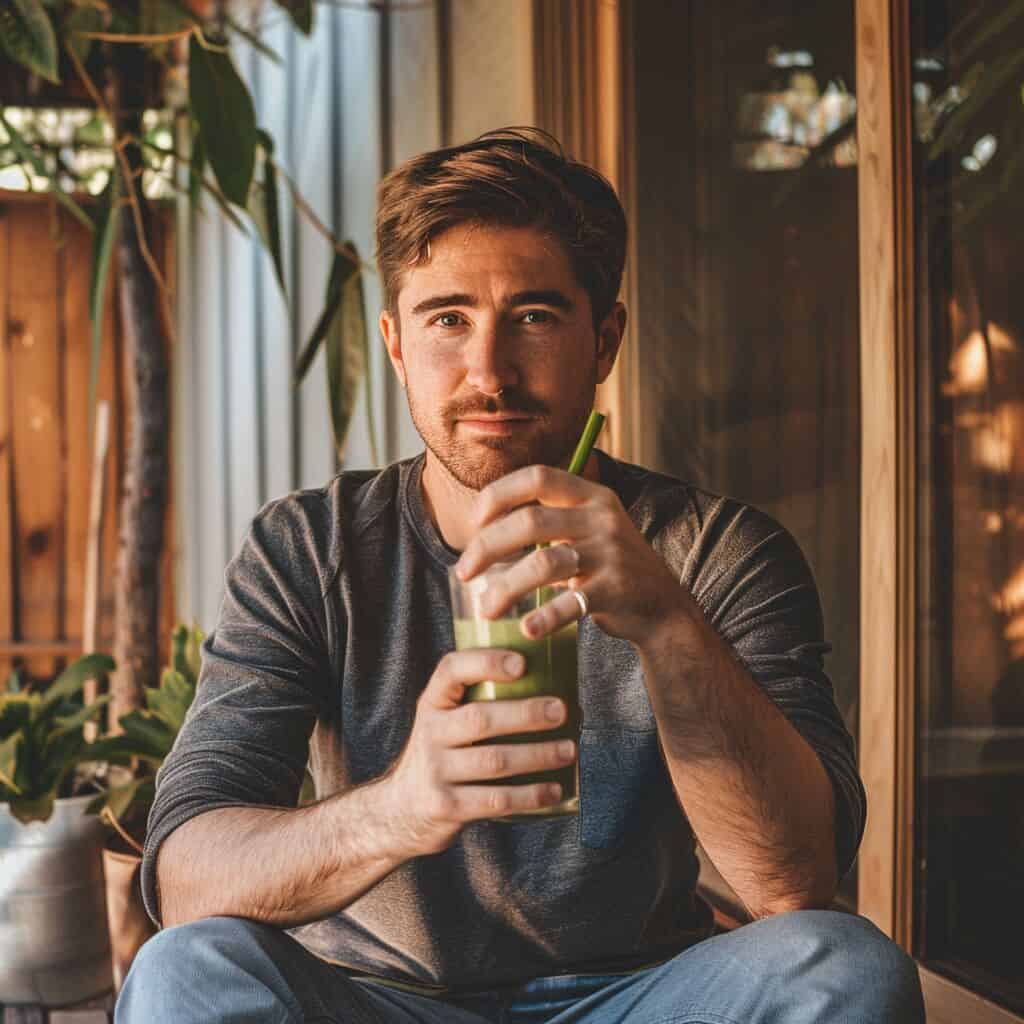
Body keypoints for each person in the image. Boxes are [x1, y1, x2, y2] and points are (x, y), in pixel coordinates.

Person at [116, 127, 925, 1023]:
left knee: (847, 966)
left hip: (641, 995)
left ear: (605, 340)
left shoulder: (717, 549)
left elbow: (794, 881)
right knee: (183, 972)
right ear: (394, 343)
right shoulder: (310, 548)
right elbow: (186, 872)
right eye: (448, 320)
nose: (489, 373)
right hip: (374, 1001)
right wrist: (403, 805)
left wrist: (665, 623)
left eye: (534, 317)